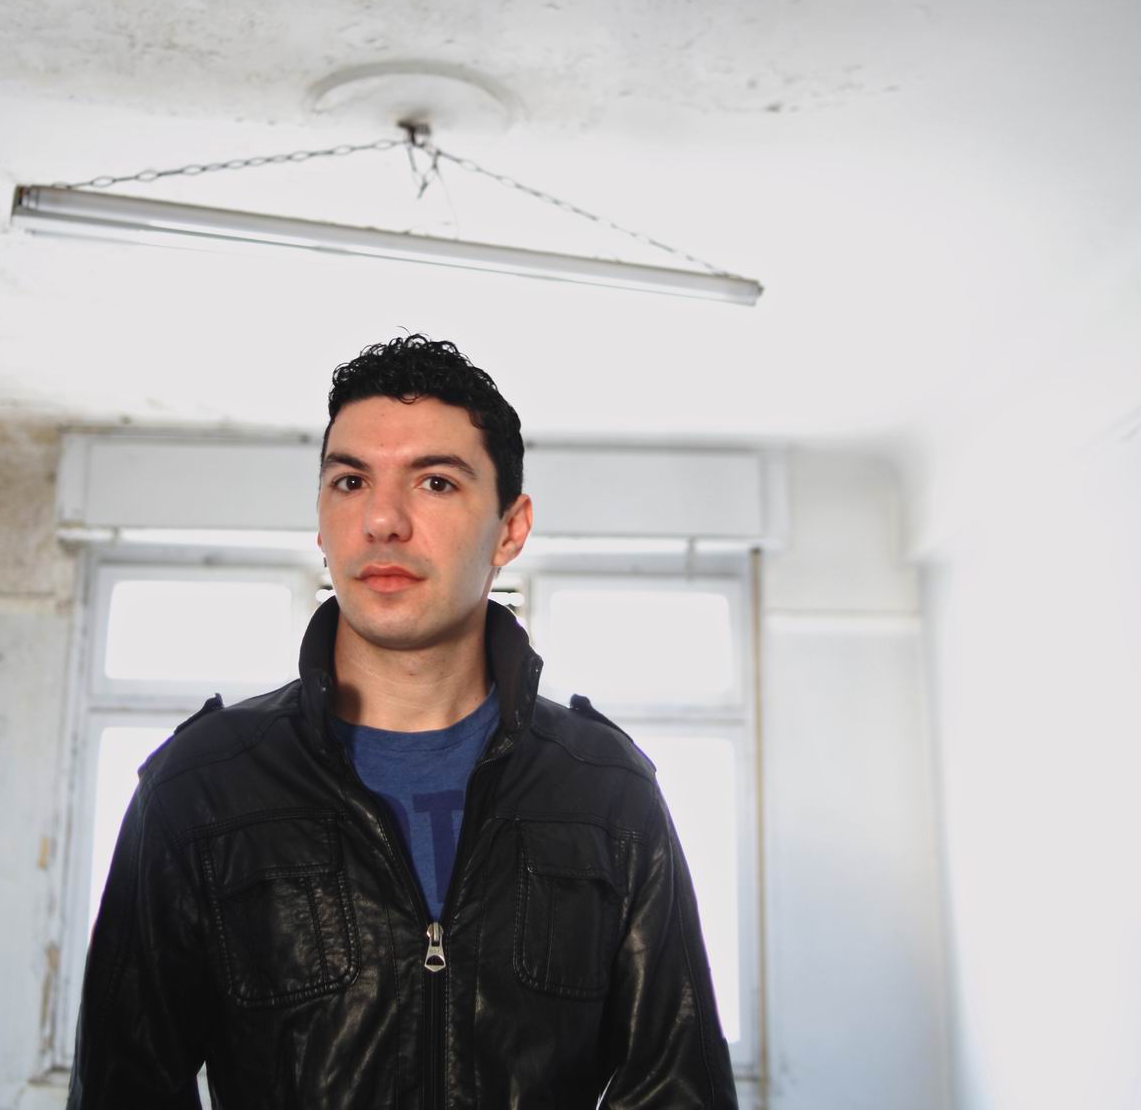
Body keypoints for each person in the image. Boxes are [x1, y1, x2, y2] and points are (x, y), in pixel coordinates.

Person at [68, 335, 736, 1108]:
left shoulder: (607, 792)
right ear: (321, 520)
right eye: (351, 481)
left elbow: (678, 1088)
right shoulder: (199, 788)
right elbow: (123, 1089)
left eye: (436, 483)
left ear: (510, 529)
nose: (382, 520)